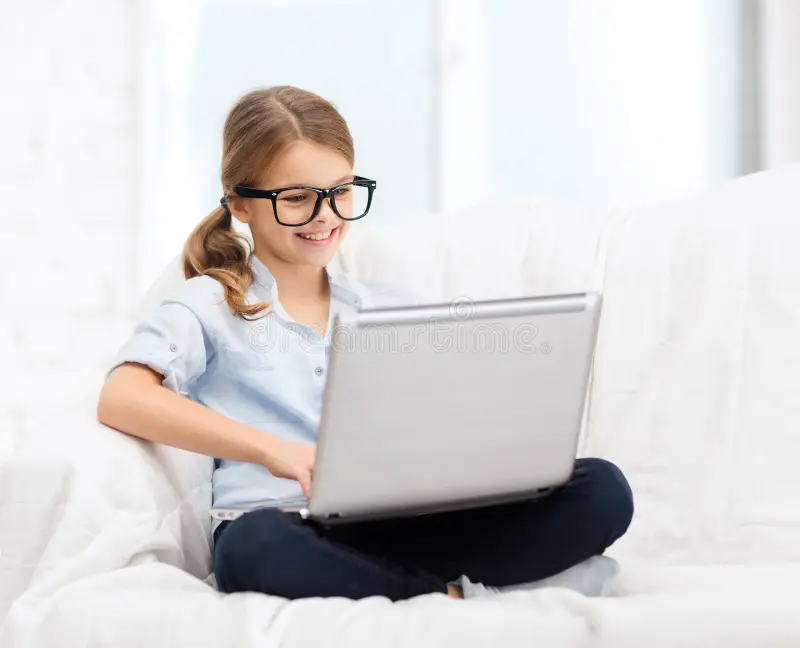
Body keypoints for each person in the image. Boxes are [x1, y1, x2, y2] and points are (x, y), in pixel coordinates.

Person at [98, 86, 633, 602]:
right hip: (288, 524)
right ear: (240, 203)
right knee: (253, 550)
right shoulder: (209, 304)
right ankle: (445, 592)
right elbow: (122, 397)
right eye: (298, 198)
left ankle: (397, 581)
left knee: (604, 489)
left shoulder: (386, 306)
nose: (325, 216)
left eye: (341, 191)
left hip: (405, 522)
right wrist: (271, 450)